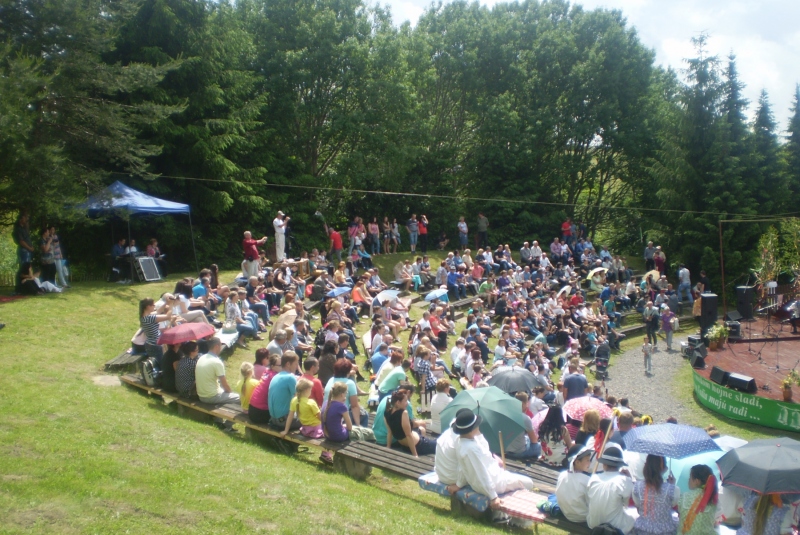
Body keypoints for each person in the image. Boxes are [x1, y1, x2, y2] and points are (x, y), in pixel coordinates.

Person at [453, 408, 533, 510]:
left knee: (516, 478)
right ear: (472, 428)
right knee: (529, 482)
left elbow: (463, 467)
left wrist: (459, 484)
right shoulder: (471, 449)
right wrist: (493, 497)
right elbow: (481, 474)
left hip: (491, 478)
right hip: (496, 482)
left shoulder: (461, 442)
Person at [586, 444, 636, 534]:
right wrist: (630, 479)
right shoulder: (624, 480)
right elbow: (628, 504)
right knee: (635, 515)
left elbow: (589, 500)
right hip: (614, 527)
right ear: (619, 465)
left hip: (593, 523)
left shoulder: (593, 478)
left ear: (604, 464)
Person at [632, 454, 680, 535]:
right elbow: (673, 504)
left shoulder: (637, 486)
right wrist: (672, 485)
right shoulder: (673, 489)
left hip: (642, 531)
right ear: (664, 468)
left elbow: (638, 505)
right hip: (665, 531)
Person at [385, 390, 436, 456]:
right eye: (405, 401)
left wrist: (388, 447)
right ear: (398, 402)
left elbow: (390, 432)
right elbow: (408, 435)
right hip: (418, 445)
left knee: (421, 429)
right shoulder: (403, 413)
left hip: (405, 447)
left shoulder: (387, 413)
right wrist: (415, 455)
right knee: (440, 444)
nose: (407, 403)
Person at [556, 445, 595, 523]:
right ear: (577, 462)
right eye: (587, 460)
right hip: (583, 517)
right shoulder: (587, 480)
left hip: (566, 513)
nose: (590, 462)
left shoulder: (562, 475)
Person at [195, 338, 239, 405]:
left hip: (201, 395)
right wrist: (230, 393)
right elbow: (225, 385)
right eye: (220, 345)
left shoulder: (201, 358)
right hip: (211, 397)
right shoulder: (216, 362)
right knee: (239, 398)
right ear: (216, 346)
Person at [678, 465, 718, 535]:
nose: (688, 480)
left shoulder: (683, 497)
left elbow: (679, 512)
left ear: (696, 481)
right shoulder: (713, 499)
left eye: (690, 477)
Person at [505, 392, 542, 462]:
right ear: (524, 403)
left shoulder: (507, 414)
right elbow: (534, 441)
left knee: (526, 438)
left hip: (506, 449)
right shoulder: (525, 418)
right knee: (540, 446)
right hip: (520, 452)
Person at [268, 352, 300, 430]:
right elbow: (299, 399)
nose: (297, 367)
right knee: (311, 418)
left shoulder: (276, 376)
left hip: (273, 419)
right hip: (283, 421)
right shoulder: (290, 377)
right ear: (288, 364)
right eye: (295, 364)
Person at [139, 297, 175, 366]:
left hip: (150, 344)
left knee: (156, 364)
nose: (154, 306)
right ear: (148, 306)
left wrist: (166, 303)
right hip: (156, 345)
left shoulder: (144, 317)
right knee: (162, 365)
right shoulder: (150, 318)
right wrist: (171, 304)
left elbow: (158, 312)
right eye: (153, 305)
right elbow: (168, 316)